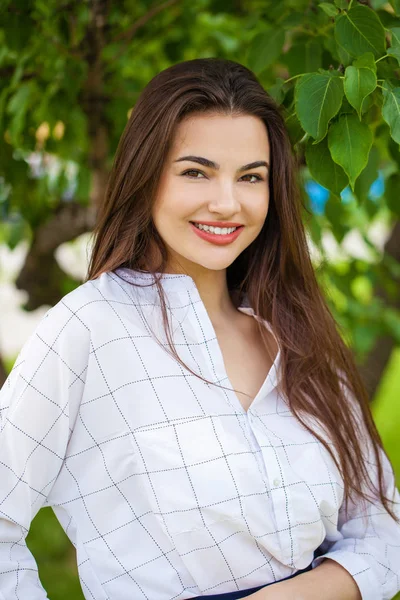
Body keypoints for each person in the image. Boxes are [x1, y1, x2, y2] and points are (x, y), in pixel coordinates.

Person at [0, 57, 399, 600]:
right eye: (196, 171)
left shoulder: (299, 335)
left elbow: (381, 525)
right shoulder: (89, 329)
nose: (227, 203)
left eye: (251, 177)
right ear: (146, 176)